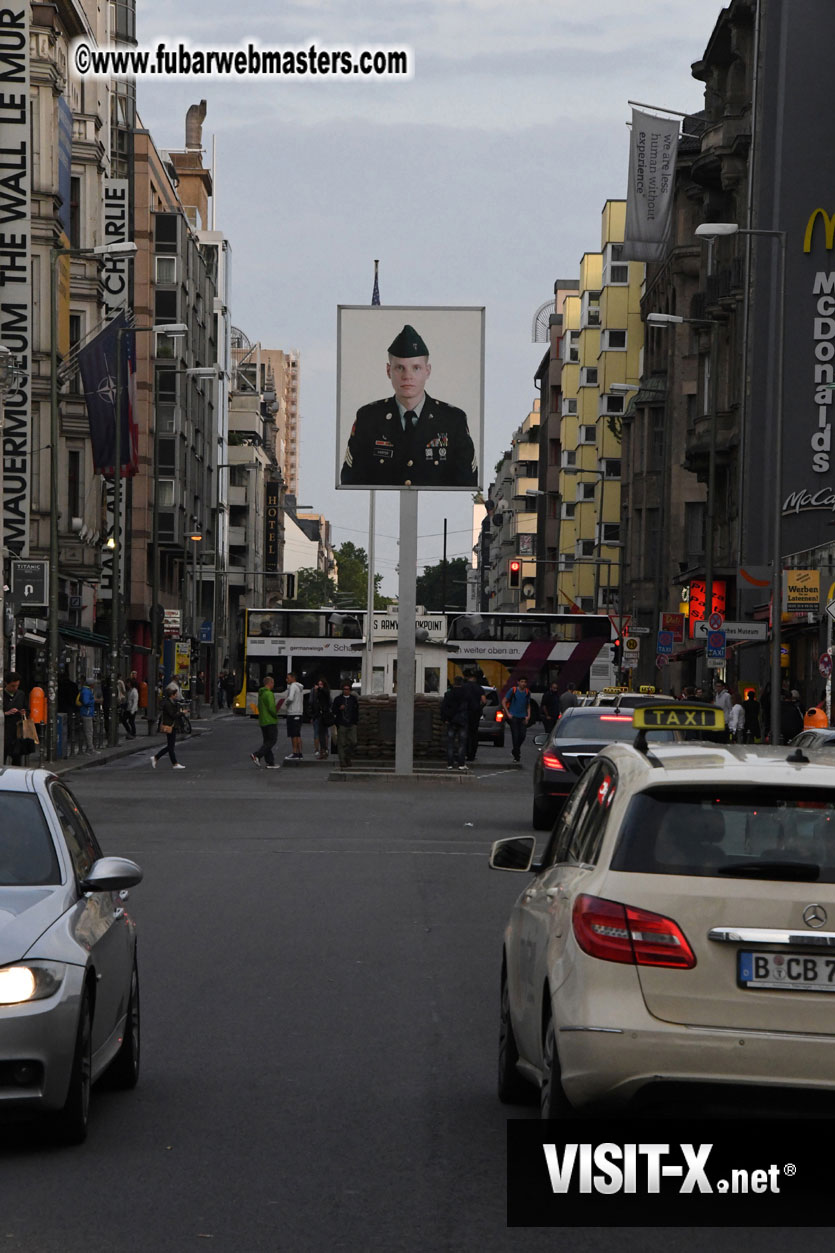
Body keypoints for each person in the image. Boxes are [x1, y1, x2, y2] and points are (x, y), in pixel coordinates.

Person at [339, 324, 478, 488]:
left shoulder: (453, 420)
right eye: (400, 368)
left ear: (428, 371)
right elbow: (351, 481)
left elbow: (467, 482)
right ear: (388, 370)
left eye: (416, 368)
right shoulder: (369, 418)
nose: (407, 376)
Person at [150, 683, 186, 769]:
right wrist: (182, 713)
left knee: (170, 746)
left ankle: (157, 758)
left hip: (171, 724)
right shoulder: (168, 704)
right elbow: (173, 715)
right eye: (175, 694)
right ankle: (174, 763)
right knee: (171, 746)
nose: (176, 695)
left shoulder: (170, 702)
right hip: (170, 725)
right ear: (172, 695)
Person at [250, 674, 280, 769]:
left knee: (267, 741)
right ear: (270, 683)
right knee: (272, 740)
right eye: (273, 683)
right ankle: (257, 755)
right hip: (270, 720)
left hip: (263, 720)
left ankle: (270, 762)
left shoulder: (261, 693)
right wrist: (275, 715)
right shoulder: (269, 694)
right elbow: (271, 708)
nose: (273, 685)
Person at [441, 677, 469, 771]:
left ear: (454, 683)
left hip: (451, 720)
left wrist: (445, 719)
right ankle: (461, 764)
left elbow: (444, 707)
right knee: (462, 743)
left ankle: (450, 764)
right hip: (463, 720)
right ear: (462, 683)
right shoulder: (466, 694)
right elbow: (471, 707)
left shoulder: (448, 694)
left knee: (450, 743)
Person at [502, 676, 531, 764]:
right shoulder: (513, 690)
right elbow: (504, 701)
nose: (523, 684)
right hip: (514, 716)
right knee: (515, 736)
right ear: (518, 682)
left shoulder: (527, 692)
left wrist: (528, 716)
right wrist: (508, 713)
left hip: (522, 716)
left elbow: (528, 705)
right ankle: (517, 756)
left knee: (522, 735)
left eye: (524, 682)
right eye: (521, 681)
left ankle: (515, 750)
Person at [332, 682, 359, 768]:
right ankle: (342, 761)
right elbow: (333, 710)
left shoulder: (353, 699)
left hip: (351, 723)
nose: (345, 691)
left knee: (353, 741)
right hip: (342, 723)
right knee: (341, 743)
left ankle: (347, 756)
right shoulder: (338, 699)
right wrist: (339, 709)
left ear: (350, 690)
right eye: (344, 689)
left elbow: (356, 710)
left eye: (347, 689)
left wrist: (355, 721)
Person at [3, 672, 26, 765]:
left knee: (17, 757)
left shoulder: (20, 694)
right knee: (3, 754)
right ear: (6, 684)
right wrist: (5, 713)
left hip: (17, 730)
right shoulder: (2, 695)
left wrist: (24, 712)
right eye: (12, 686)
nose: (15, 688)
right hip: (4, 730)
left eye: (17, 686)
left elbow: (26, 708)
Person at [462, 672, 486, 763]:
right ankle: (472, 754)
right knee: (474, 734)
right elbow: (484, 701)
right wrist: (479, 708)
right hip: (475, 714)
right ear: (475, 678)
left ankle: (465, 752)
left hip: (465, 713)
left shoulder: (464, 687)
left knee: (465, 733)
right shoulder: (479, 688)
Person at [282, 671, 305, 760]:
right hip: (299, 712)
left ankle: (294, 752)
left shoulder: (293, 686)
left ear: (293, 678)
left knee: (293, 734)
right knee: (298, 734)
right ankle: (300, 753)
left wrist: (286, 702)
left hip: (293, 712)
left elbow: (291, 698)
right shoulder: (300, 687)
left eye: (288, 678)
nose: (286, 679)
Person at [310, 678, 332, 760]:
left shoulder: (324, 692)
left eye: (321, 684)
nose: (319, 686)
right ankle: (323, 750)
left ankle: (324, 750)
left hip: (324, 715)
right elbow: (314, 704)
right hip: (318, 715)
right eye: (319, 684)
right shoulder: (316, 693)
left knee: (323, 733)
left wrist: (319, 689)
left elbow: (326, 696)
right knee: (320, 733)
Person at [77, 677, 98, 754]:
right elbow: (86, 702)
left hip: (87, 712)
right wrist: (93, 700)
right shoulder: (86, 691)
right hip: (87, 713)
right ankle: (90, 749)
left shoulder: (85, 690)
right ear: (91, 684)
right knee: (89, 731)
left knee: (88, 731)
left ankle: (87, 748)